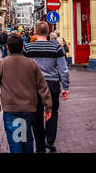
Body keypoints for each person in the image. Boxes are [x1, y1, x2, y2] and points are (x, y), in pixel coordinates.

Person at [0, 34, 52, 153]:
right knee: (26, 138)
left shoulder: (1, 64)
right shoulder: (32, 64)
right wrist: (48, 106)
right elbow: (43, 87)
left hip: (11, 109)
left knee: (15, 140)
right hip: (28, 108)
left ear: (7, 48)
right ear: (23, 47)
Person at [23, 21, 70, 153]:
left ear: (35, 32)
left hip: (34, 85)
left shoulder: (28, 48)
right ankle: (50, 140)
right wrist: (65, 87)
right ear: (48, 32)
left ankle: (40, 143)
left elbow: (24, 68)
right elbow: (63, 69)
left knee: (36, 114)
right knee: (53, 111)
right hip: (52, 83)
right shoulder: (56, 48)